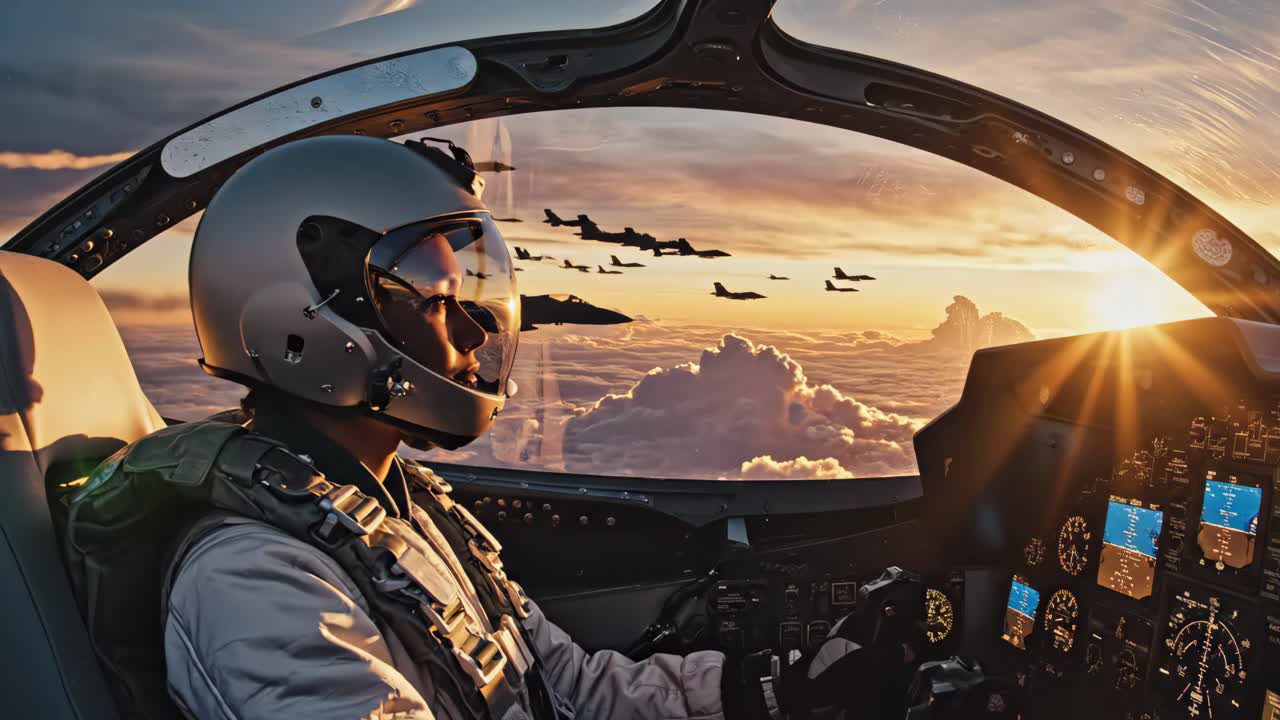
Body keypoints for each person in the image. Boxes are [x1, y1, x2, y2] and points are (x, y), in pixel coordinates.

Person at [69, 135, 911, 720]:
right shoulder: (256, 585)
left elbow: (559, 688)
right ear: (301, 320)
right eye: (435, 298)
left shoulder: (390, 509)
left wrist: (772, 692)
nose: (474, 331)